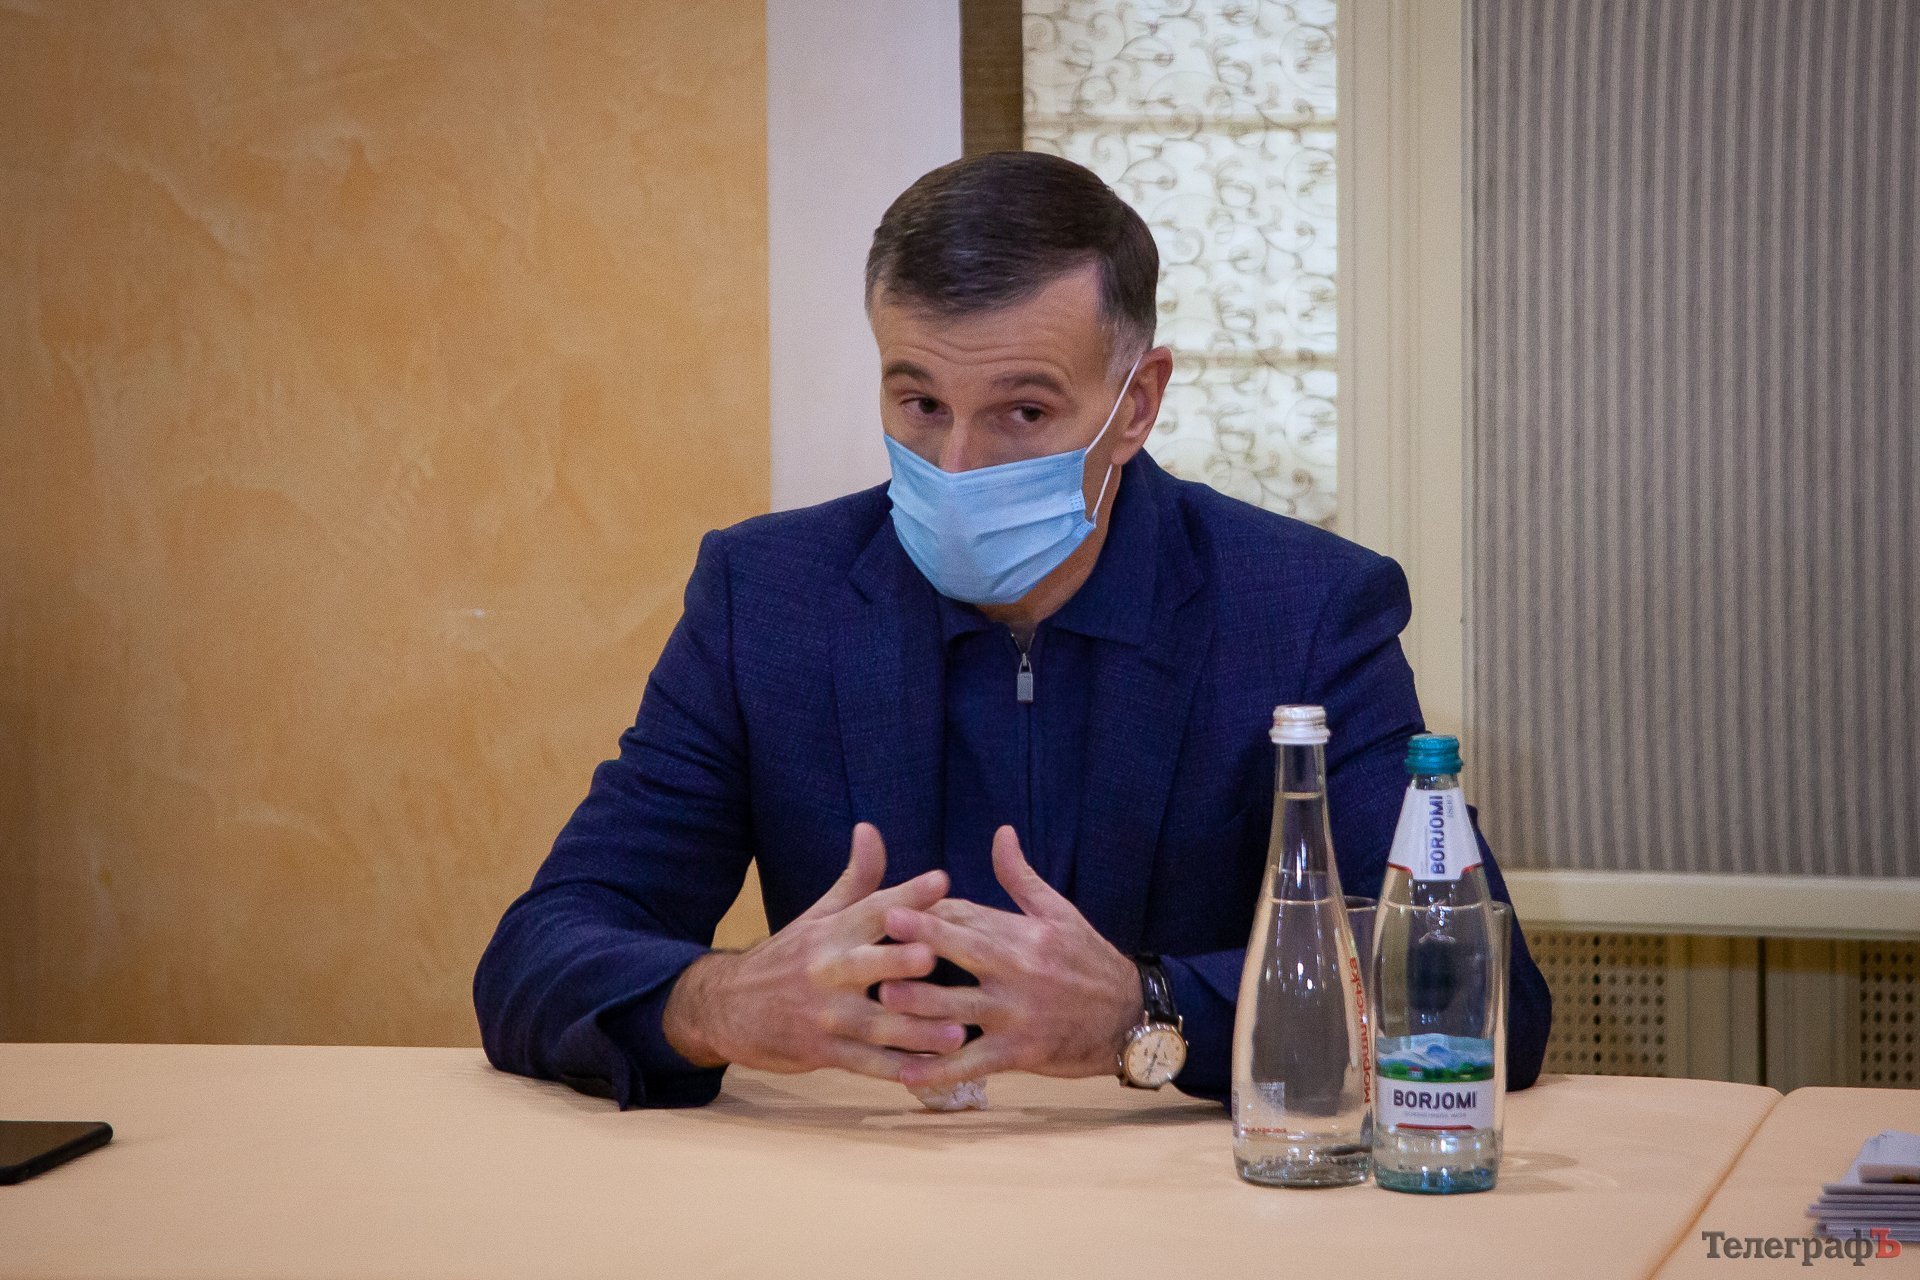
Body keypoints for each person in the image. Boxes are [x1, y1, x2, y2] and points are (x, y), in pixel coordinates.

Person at [474, 151, 1552, 1110]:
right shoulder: (766, 599)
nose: (957, 466)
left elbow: (1474, 987)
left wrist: (1145, 1011)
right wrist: (722, 1000)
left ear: (1136, 404)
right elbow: (539, 951)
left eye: (1023, 412)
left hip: (1186, 1212)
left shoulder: (1305, 609)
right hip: (858, 1199)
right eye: (920, 404)